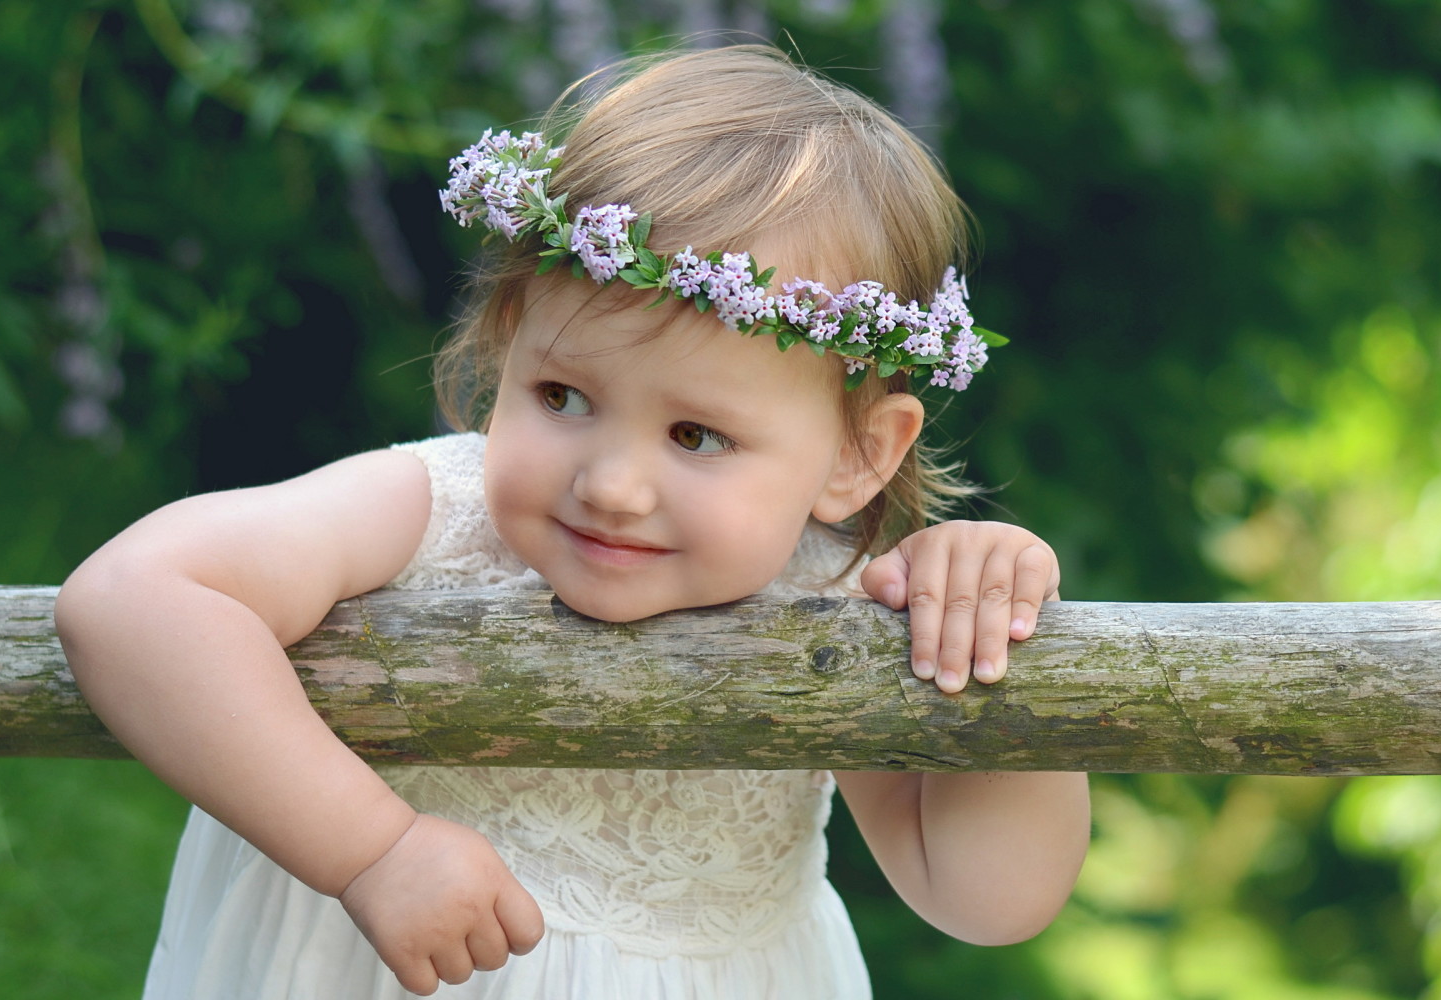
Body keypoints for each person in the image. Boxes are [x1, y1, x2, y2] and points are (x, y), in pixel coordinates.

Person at [55, 44, 1089, 1000]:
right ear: (509, 344)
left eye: (695, 434)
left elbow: (989, 898)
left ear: (860, 453)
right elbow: (135, 597)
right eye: (561, 397)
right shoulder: (432, 510)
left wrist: (990, 630)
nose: (611, 486)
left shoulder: (834, 599)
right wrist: (372, 849)